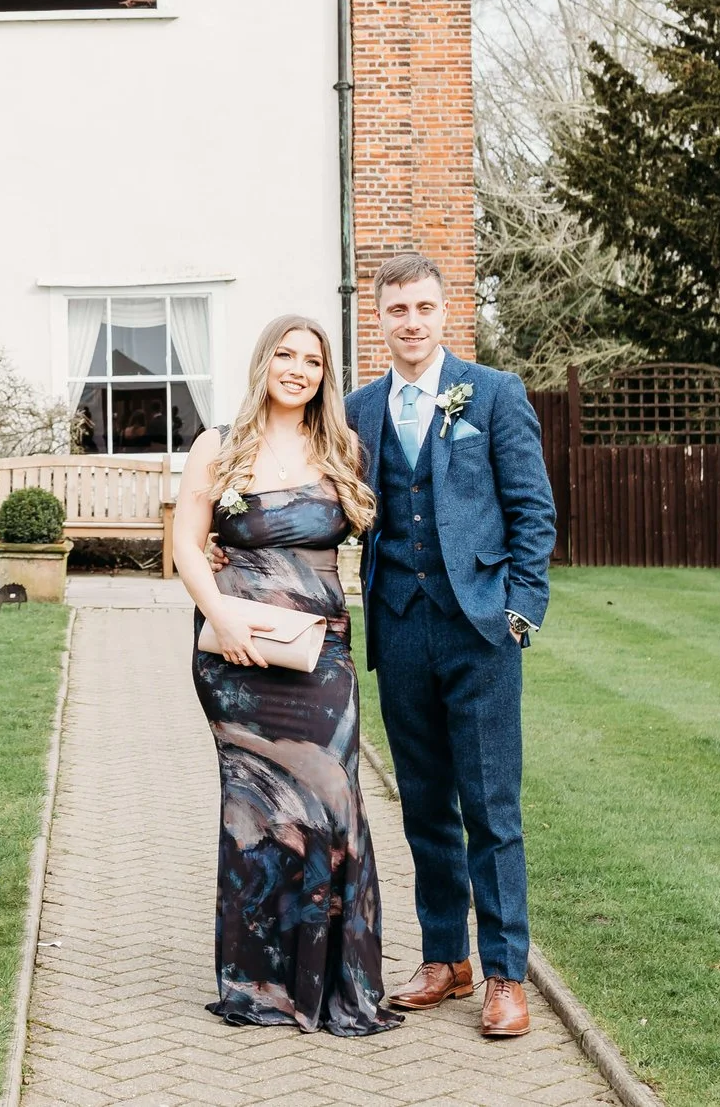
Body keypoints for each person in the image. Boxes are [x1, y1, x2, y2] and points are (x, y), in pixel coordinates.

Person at [167, 313, 400, 1037]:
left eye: (312, 360)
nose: (298, 369)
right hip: (235, 657)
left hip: (321, 655)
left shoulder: (343, 448)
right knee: (255, 813)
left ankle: (334, 982)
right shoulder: (219, 444)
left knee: (333, 802)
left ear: (324, 375)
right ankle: (260, 985)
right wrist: (223, 617)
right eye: (286, 355)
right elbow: (185, 540)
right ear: (264, 361)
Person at [345, 253, 556, 1040]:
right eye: (396, 309)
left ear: (445, 312)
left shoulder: (494, 394)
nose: (411, 321)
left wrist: (520, 611)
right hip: (399, 624)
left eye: (424, 307)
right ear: (380, 317)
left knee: (492, 807)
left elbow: (534, 510)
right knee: (425, 803)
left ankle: (505, 974)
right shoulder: (361, 409)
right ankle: (445, 957)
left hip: (479, 629)